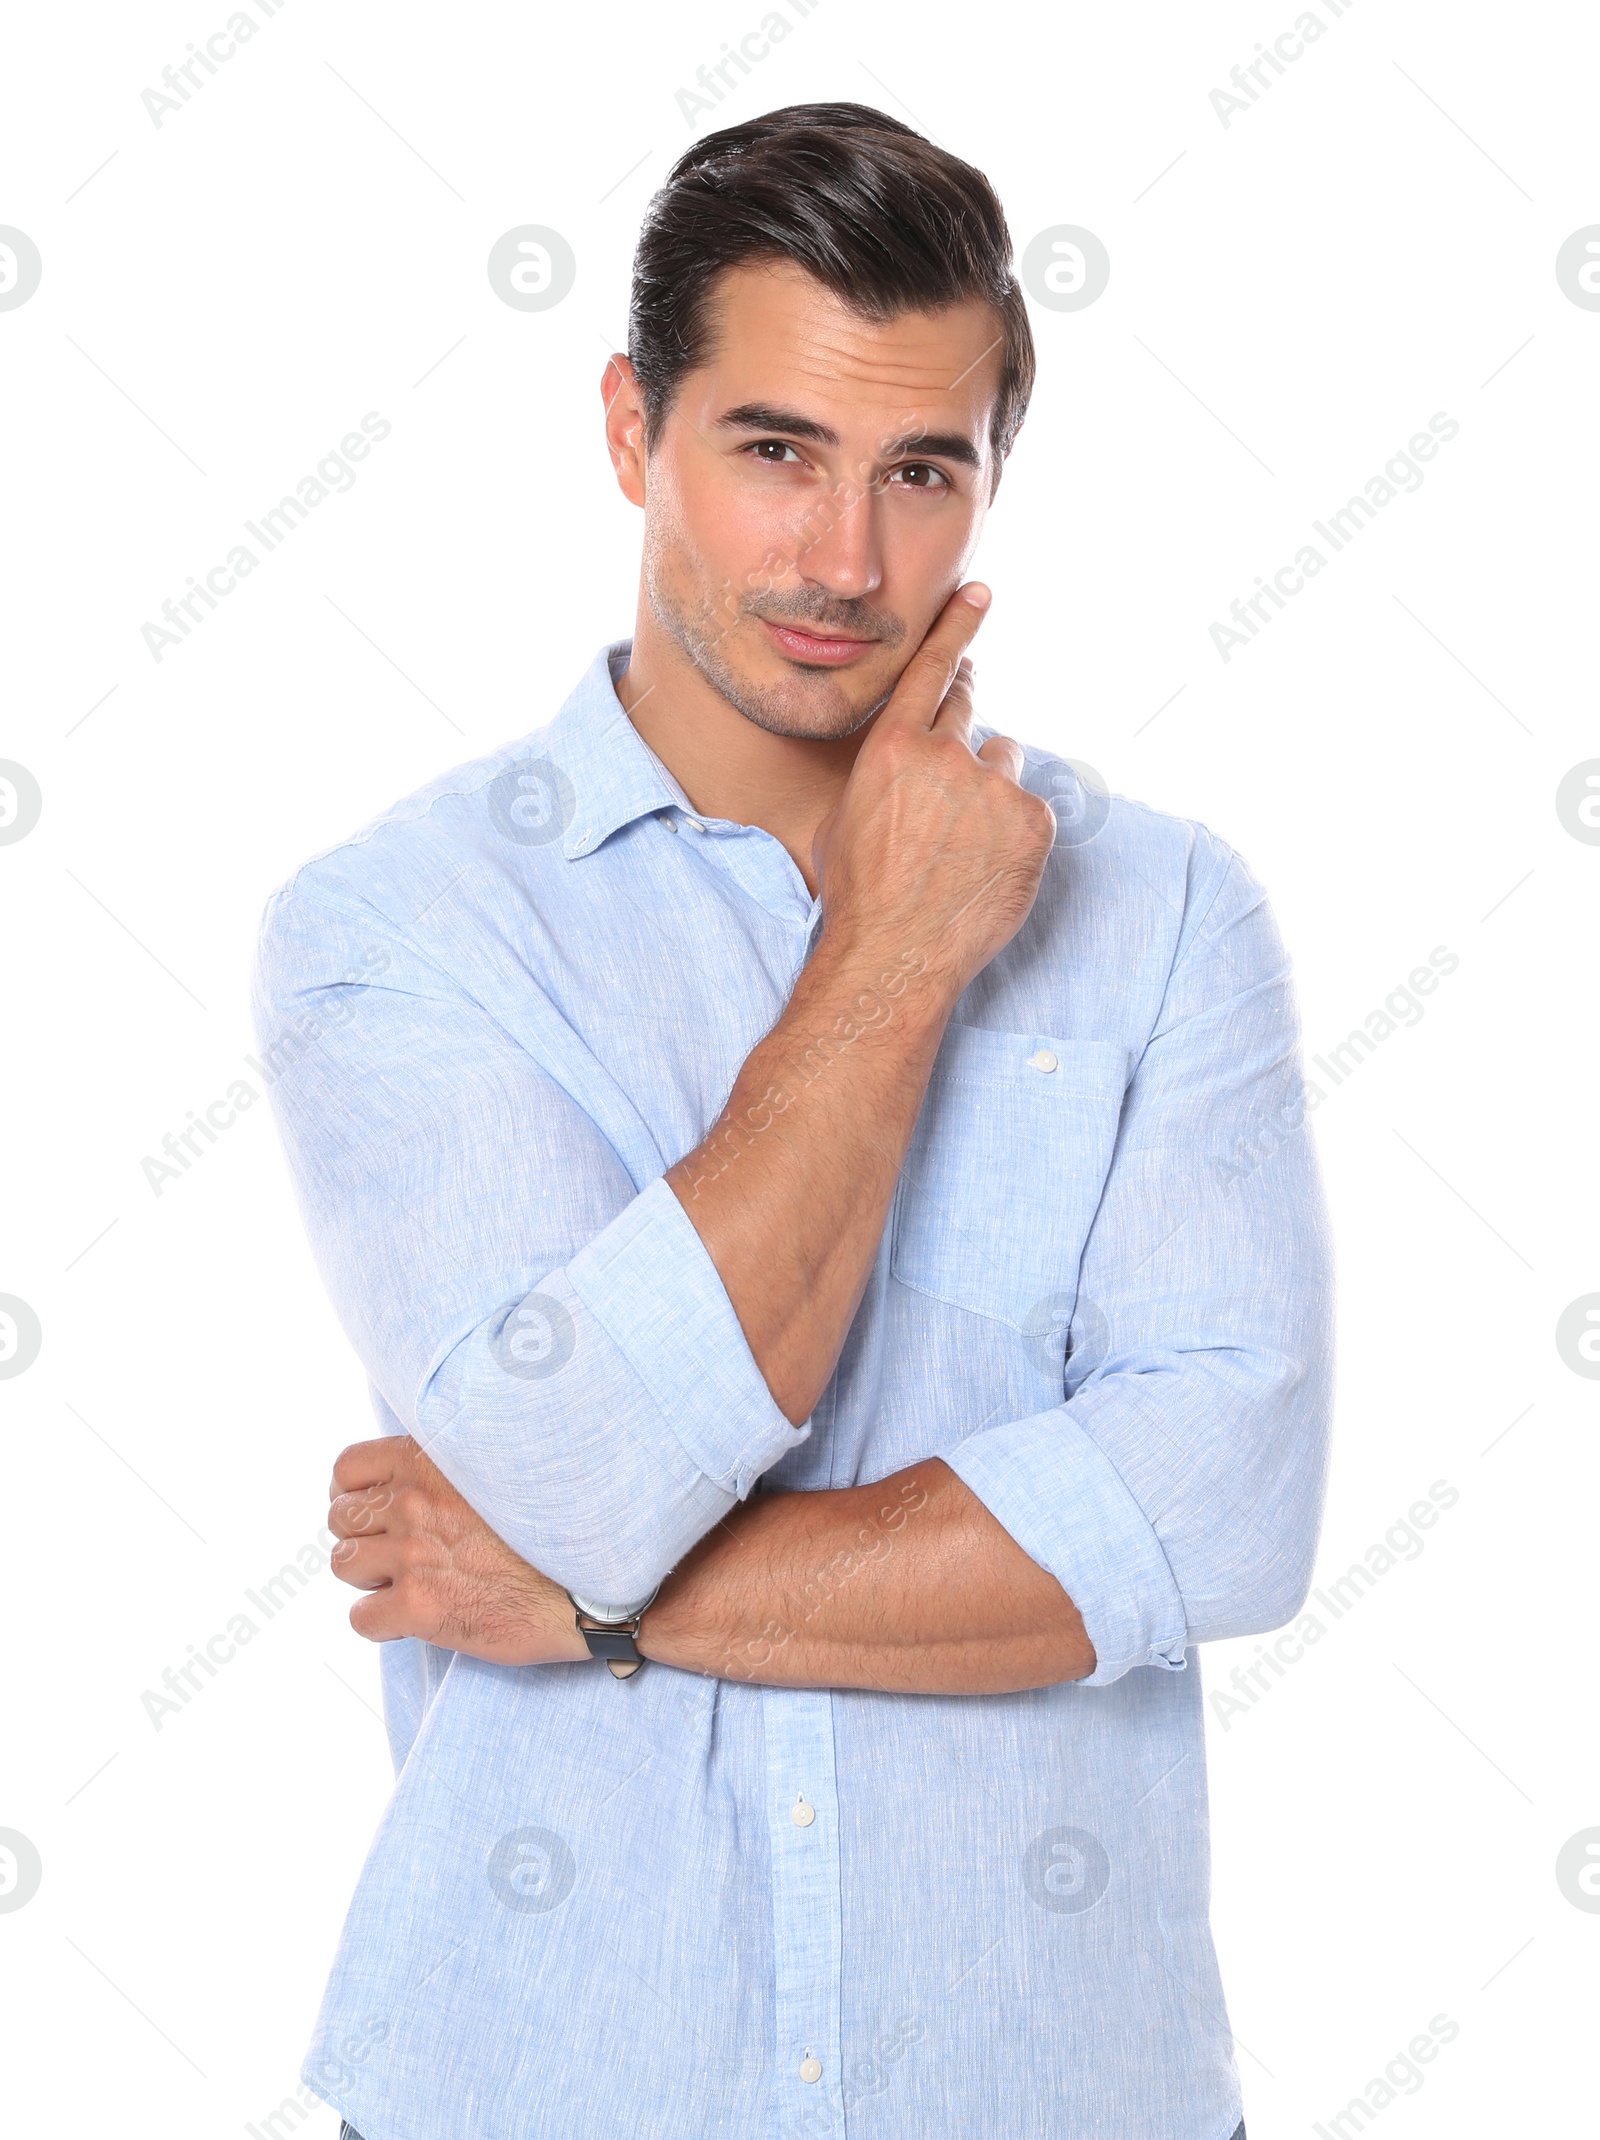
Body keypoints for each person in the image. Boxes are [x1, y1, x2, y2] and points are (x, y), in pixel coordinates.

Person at [254, 101, 1330, 2140]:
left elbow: (1213, 1507)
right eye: (774, 451)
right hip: (544, 2081)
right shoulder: (396, 926)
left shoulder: (1167, 910)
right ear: (625, 429)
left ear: (988, 479)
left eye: (921, 469)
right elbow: (571, 1463)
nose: (846, 559)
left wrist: (600, 1602)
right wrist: (892, 955)